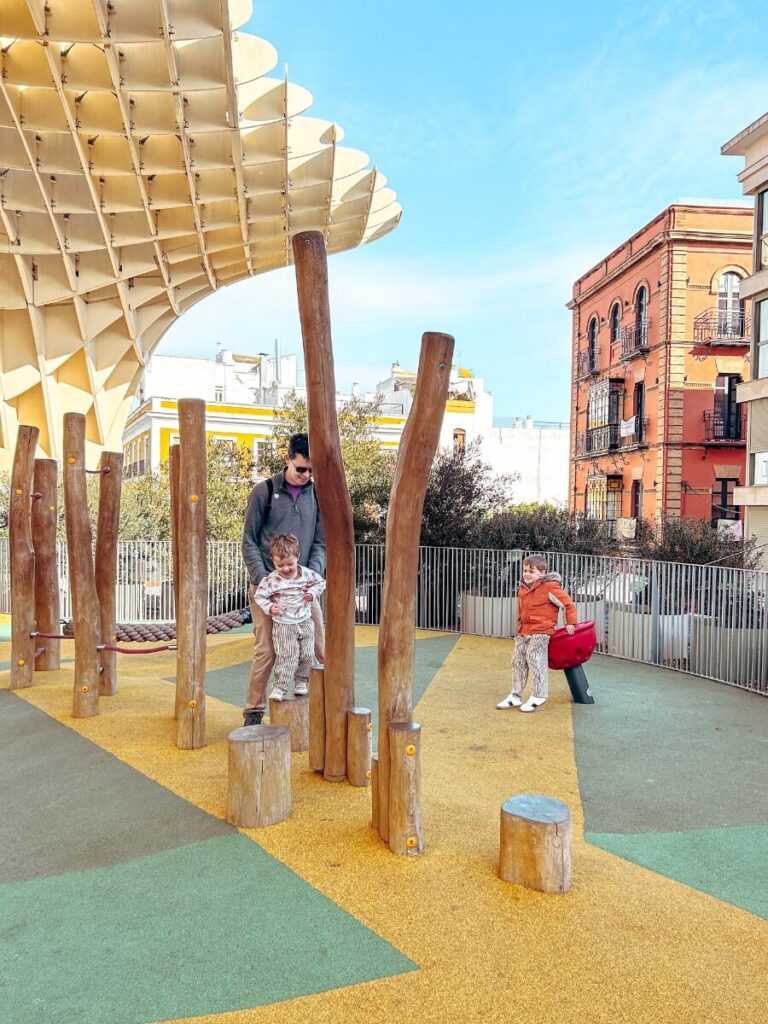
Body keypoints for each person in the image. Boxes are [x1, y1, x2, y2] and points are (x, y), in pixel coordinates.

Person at [241, 433, 325, 726]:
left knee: (316, 645)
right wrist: (266, 581)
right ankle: (253, 711)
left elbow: (320, 543)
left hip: (303, 586)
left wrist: (308, 577)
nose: (306, 475)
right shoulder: (263, 492)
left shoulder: (317, 495)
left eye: (312, 471)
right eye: (301, 469)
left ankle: (320, 709)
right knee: (267, 649)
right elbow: (249, 541)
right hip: (268, 588)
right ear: (287, 459)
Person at [496, 554, 577, 713]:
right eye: (525, 570)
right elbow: (523, 611)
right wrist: (520, 627)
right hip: (525, 630)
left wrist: (570, 623)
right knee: (518, 659)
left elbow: (568, 604)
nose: (527, 574)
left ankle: (539, 694)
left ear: (542, 573)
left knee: (534, 656)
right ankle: (515, 694)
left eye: (531, 571)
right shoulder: (523, 588)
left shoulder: (550, 587)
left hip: (542, 630)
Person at [253, 533, 326, 701]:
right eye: (280, 565)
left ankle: (301, 681)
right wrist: (270, 607)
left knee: (308, 654)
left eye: (290, 564)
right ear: (273, 561)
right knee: (288, 656)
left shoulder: (307, 574)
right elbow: (260, 596)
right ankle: (280, 686)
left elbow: (321, 582)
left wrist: (312, 593)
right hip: (284, 624)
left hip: (305, 620)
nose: (285, 569)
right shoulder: (272, 580)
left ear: (298, 557)